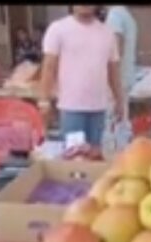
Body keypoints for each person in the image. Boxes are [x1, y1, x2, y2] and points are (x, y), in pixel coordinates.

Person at [39, 5, 124, 147]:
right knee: (74, 155)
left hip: (98, 109)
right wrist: (44, 100)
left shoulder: (107, 33)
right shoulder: (58, 29)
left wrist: (119, 101)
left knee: (95, 155)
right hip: (71, 108)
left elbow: (113, 71)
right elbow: (49, 67)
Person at [105, 5, 137, 122]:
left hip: (114, 82)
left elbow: (115, 51)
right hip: (124, 79)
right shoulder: (127, 15)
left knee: (111, 123)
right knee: (121, 123)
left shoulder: (114, 16)